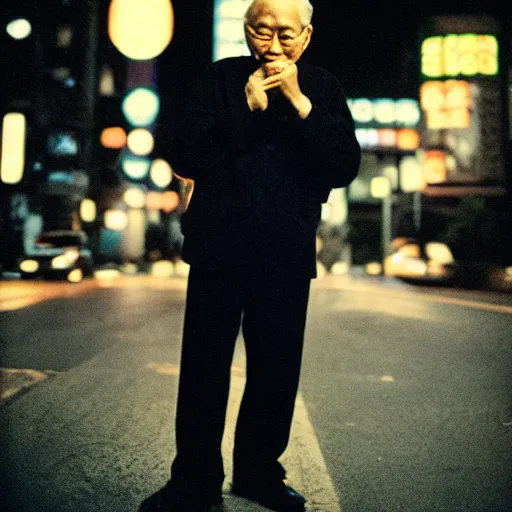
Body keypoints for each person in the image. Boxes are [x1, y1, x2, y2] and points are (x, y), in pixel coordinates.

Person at [140, 0, 360, 510]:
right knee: (203, 369)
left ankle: (260, 475)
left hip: (285, 251)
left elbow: (343, 165)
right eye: (263, 32)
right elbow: (183, 154)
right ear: (247, 31)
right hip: (217, 246)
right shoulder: (219, 80)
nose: (274, 45)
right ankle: (193, 482)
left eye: (286, 35)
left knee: (275, 370)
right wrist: (246, 107)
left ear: (305, 38)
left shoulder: (322, 89)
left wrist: (300, 103)